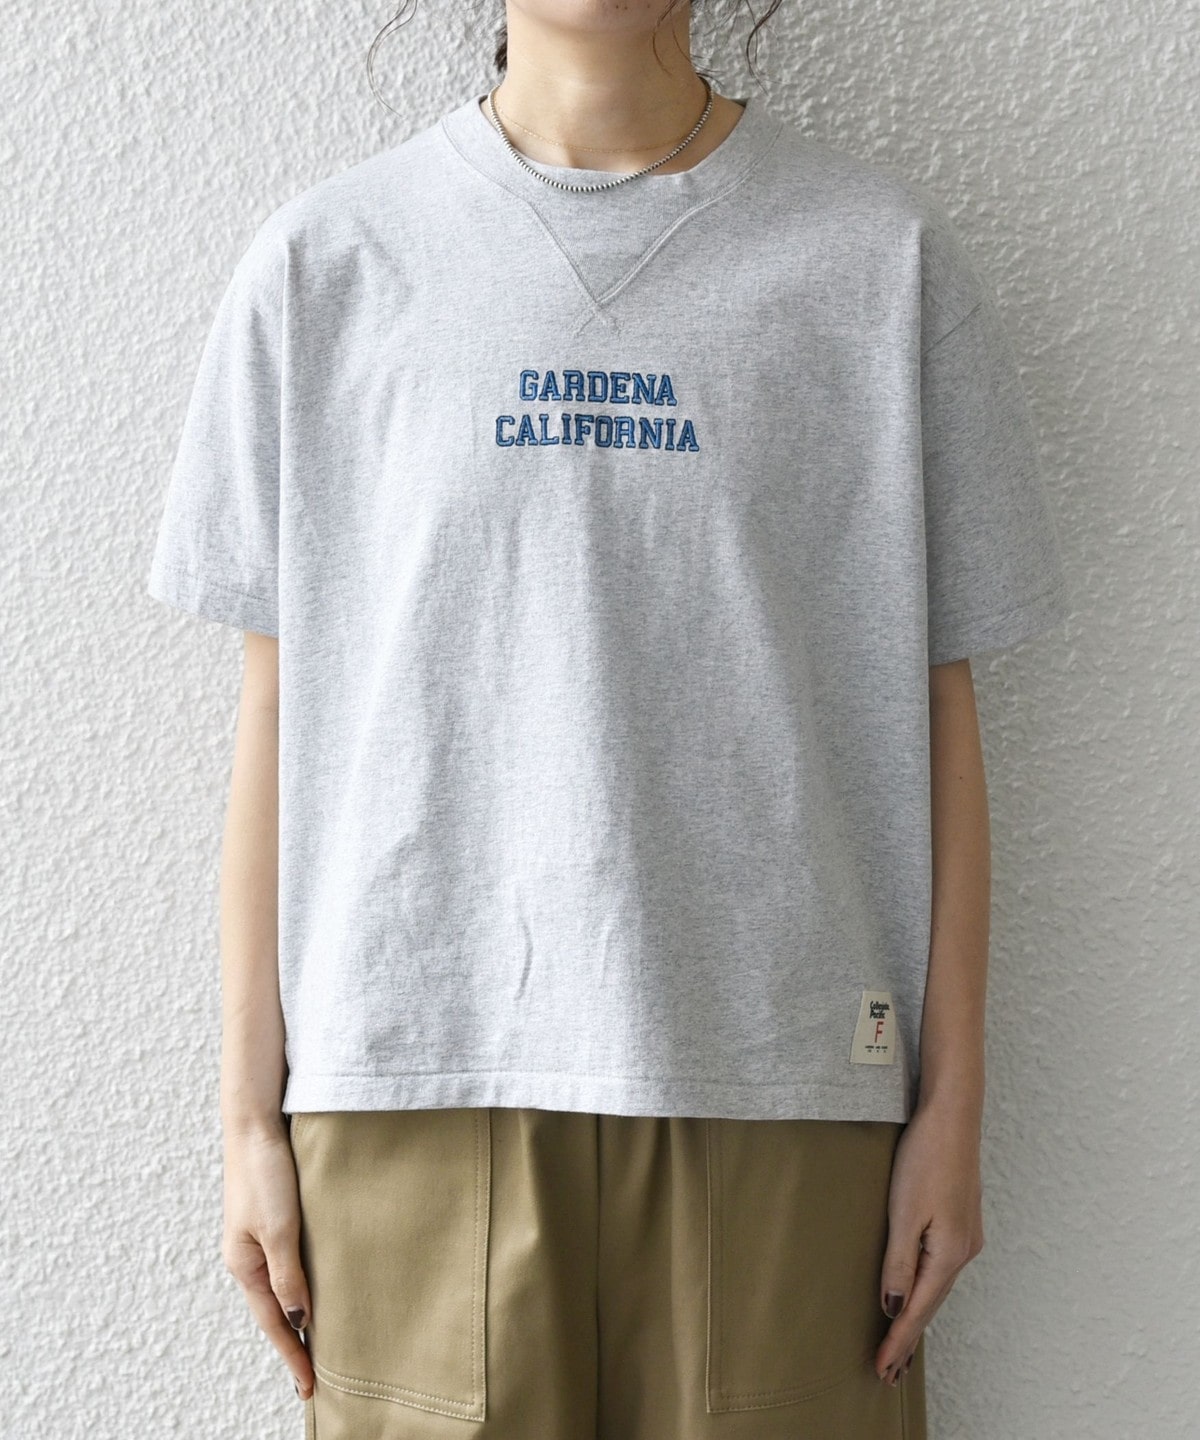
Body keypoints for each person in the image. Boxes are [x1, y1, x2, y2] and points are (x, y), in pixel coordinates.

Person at [146, 0, 1070, 1435]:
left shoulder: (880, 263)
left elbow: (941, 713)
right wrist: (247, 1121)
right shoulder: (326, 265)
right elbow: (277, 712)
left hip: (786, 1091)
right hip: (410, 1084)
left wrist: (955, 1106)